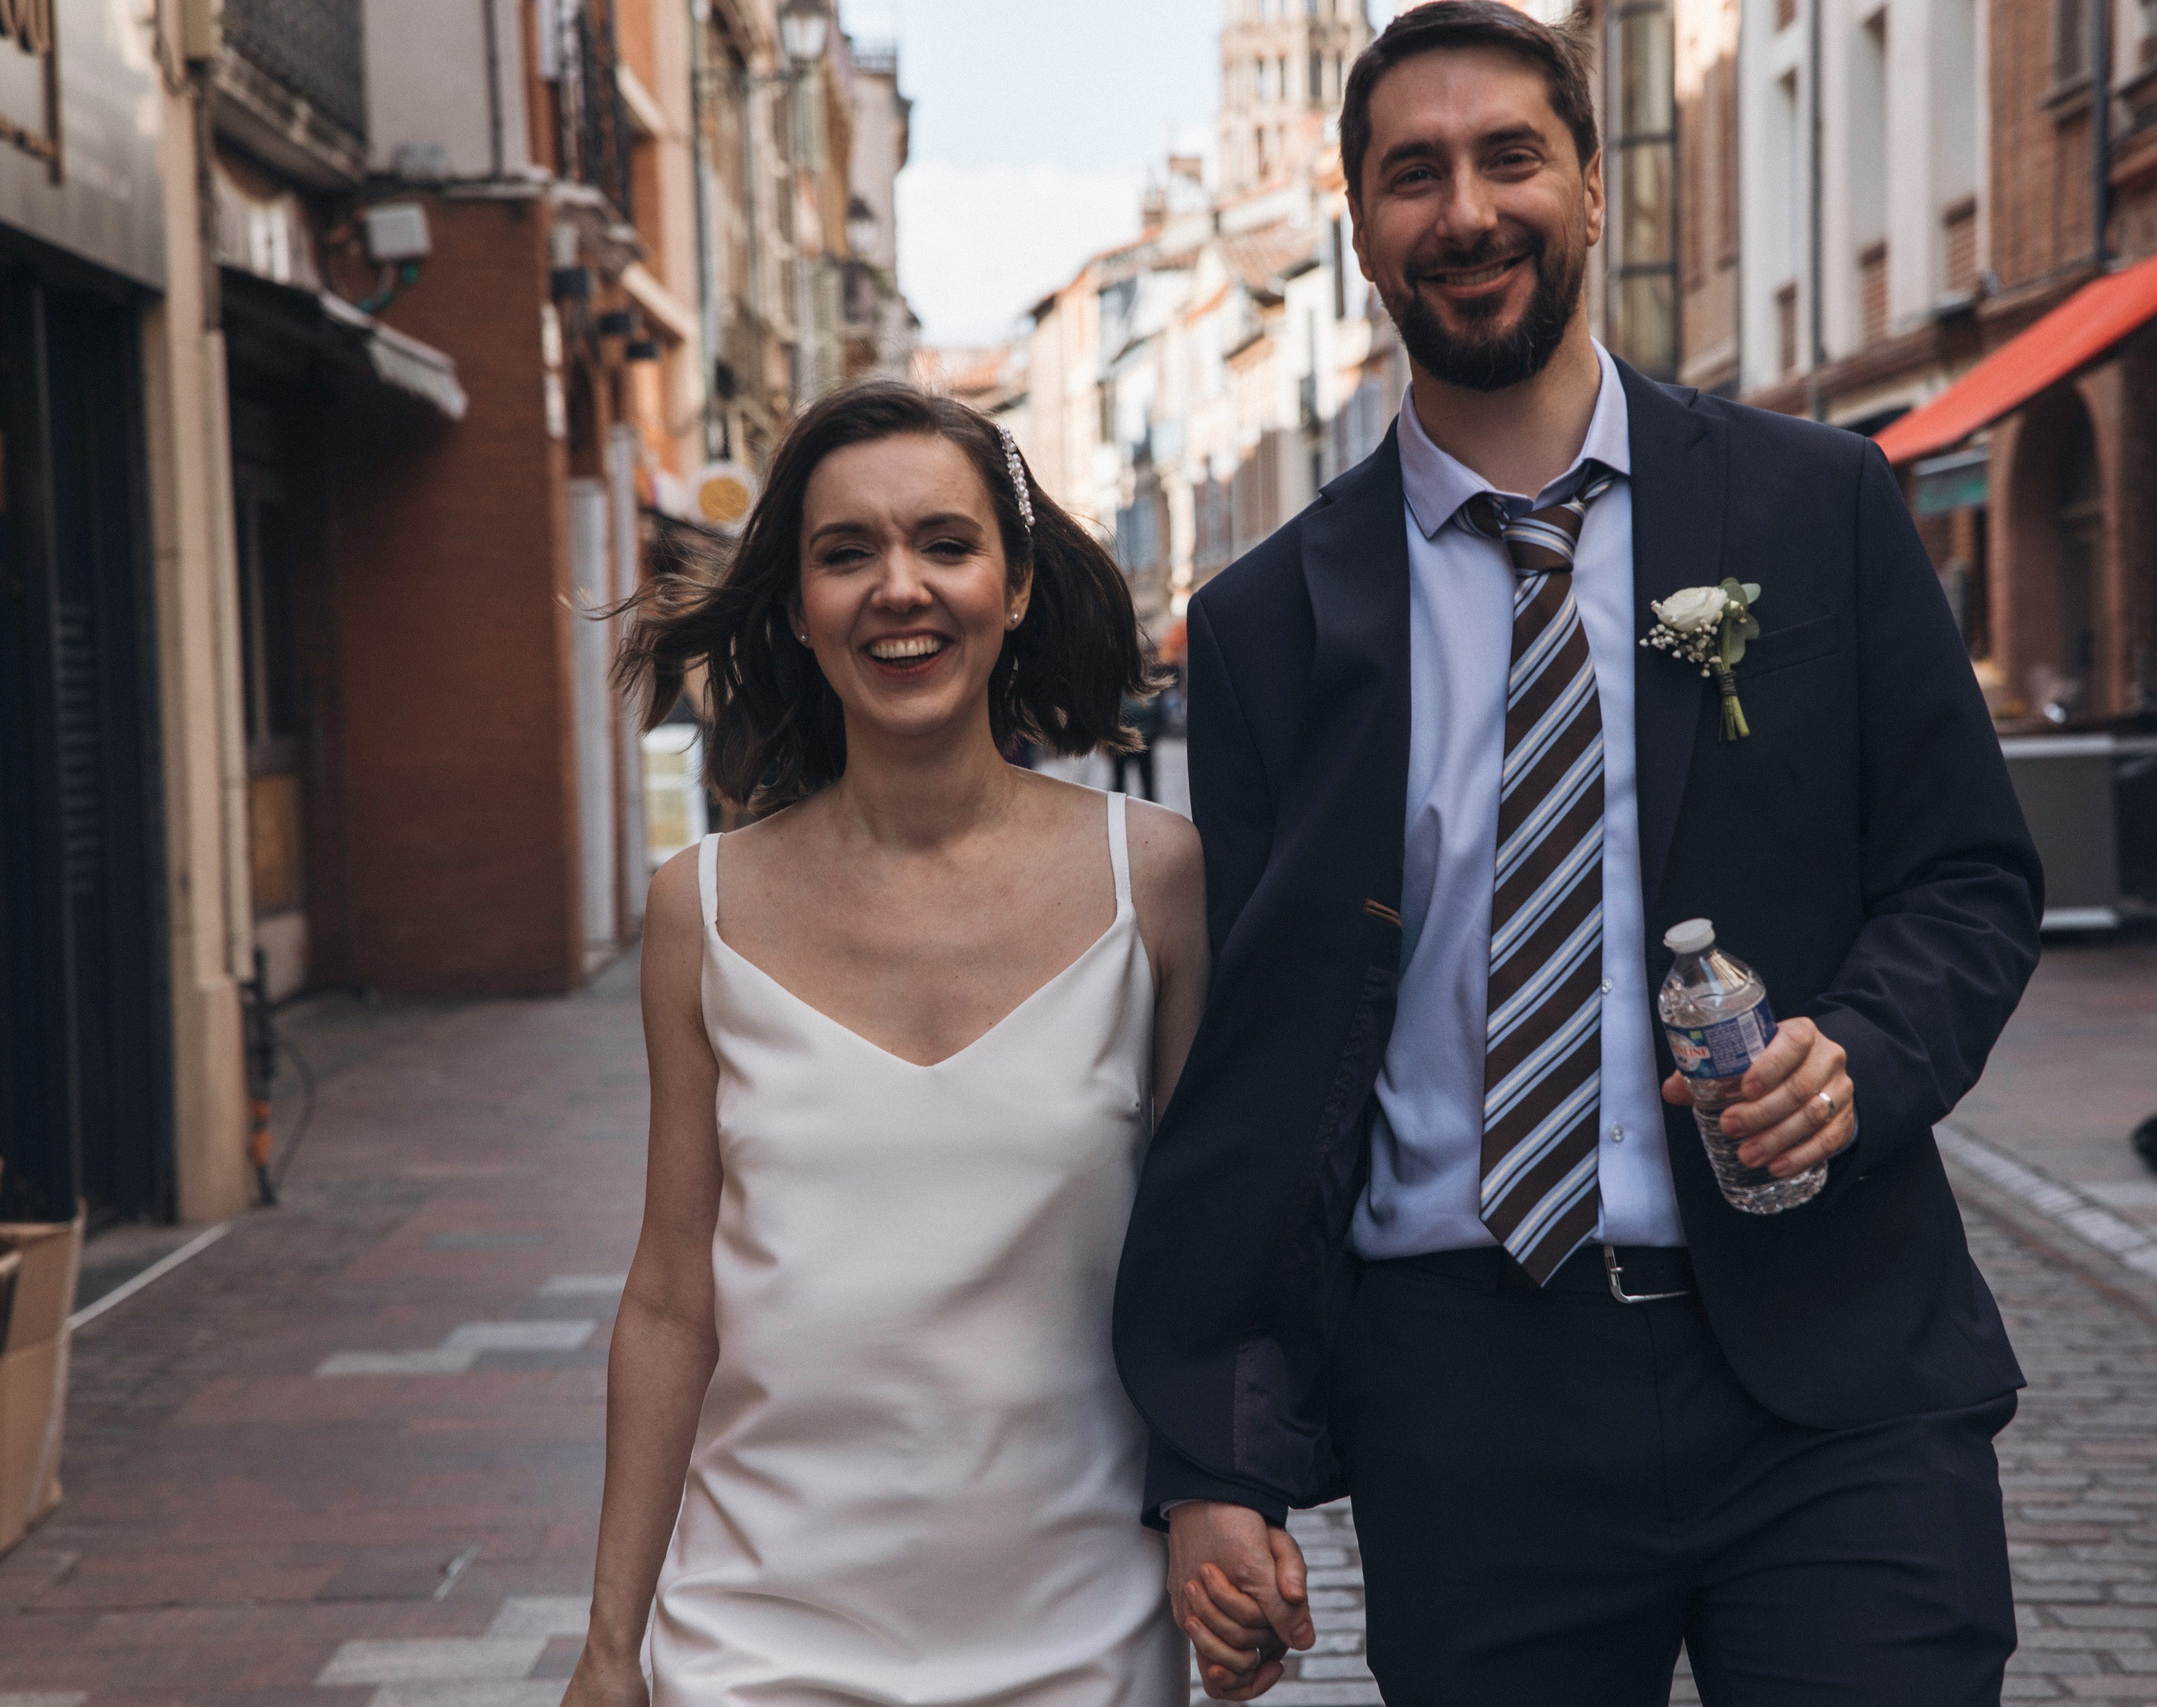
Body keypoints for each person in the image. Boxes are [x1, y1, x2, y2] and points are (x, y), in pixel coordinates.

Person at [1113, 5, 2045, 1703]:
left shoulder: (1812, 504)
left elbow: (1967, 874)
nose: (1465, 211)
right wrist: (1218, 1454)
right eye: (1413, 174)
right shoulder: (1266, 627)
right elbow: (1260, 1072)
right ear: (1361, 227)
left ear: (1594, 191)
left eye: (1509, 157)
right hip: (1468, 1397)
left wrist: (1866, 1056)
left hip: (1831, 1357)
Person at [567, 381, 1204, 1707]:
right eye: (846, 551)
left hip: (1081, 1623)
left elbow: (1219, 1258)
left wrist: (1228, 1508)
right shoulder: (702, 908)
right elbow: (674, 1291)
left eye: (946, 544)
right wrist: (611, 1644)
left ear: (1015, 584)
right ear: (798, 606)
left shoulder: (1158, 880)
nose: (897, 586)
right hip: (757, 1634)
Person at [1112, 664, 1166, 800]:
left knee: (1121, 783)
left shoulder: (1120, 690)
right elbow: (1158, 714)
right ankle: (1149, 808)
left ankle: (1117, 811)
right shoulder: (1147, 690)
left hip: (1129, 742)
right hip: (1139, 742)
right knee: (1145, 783)